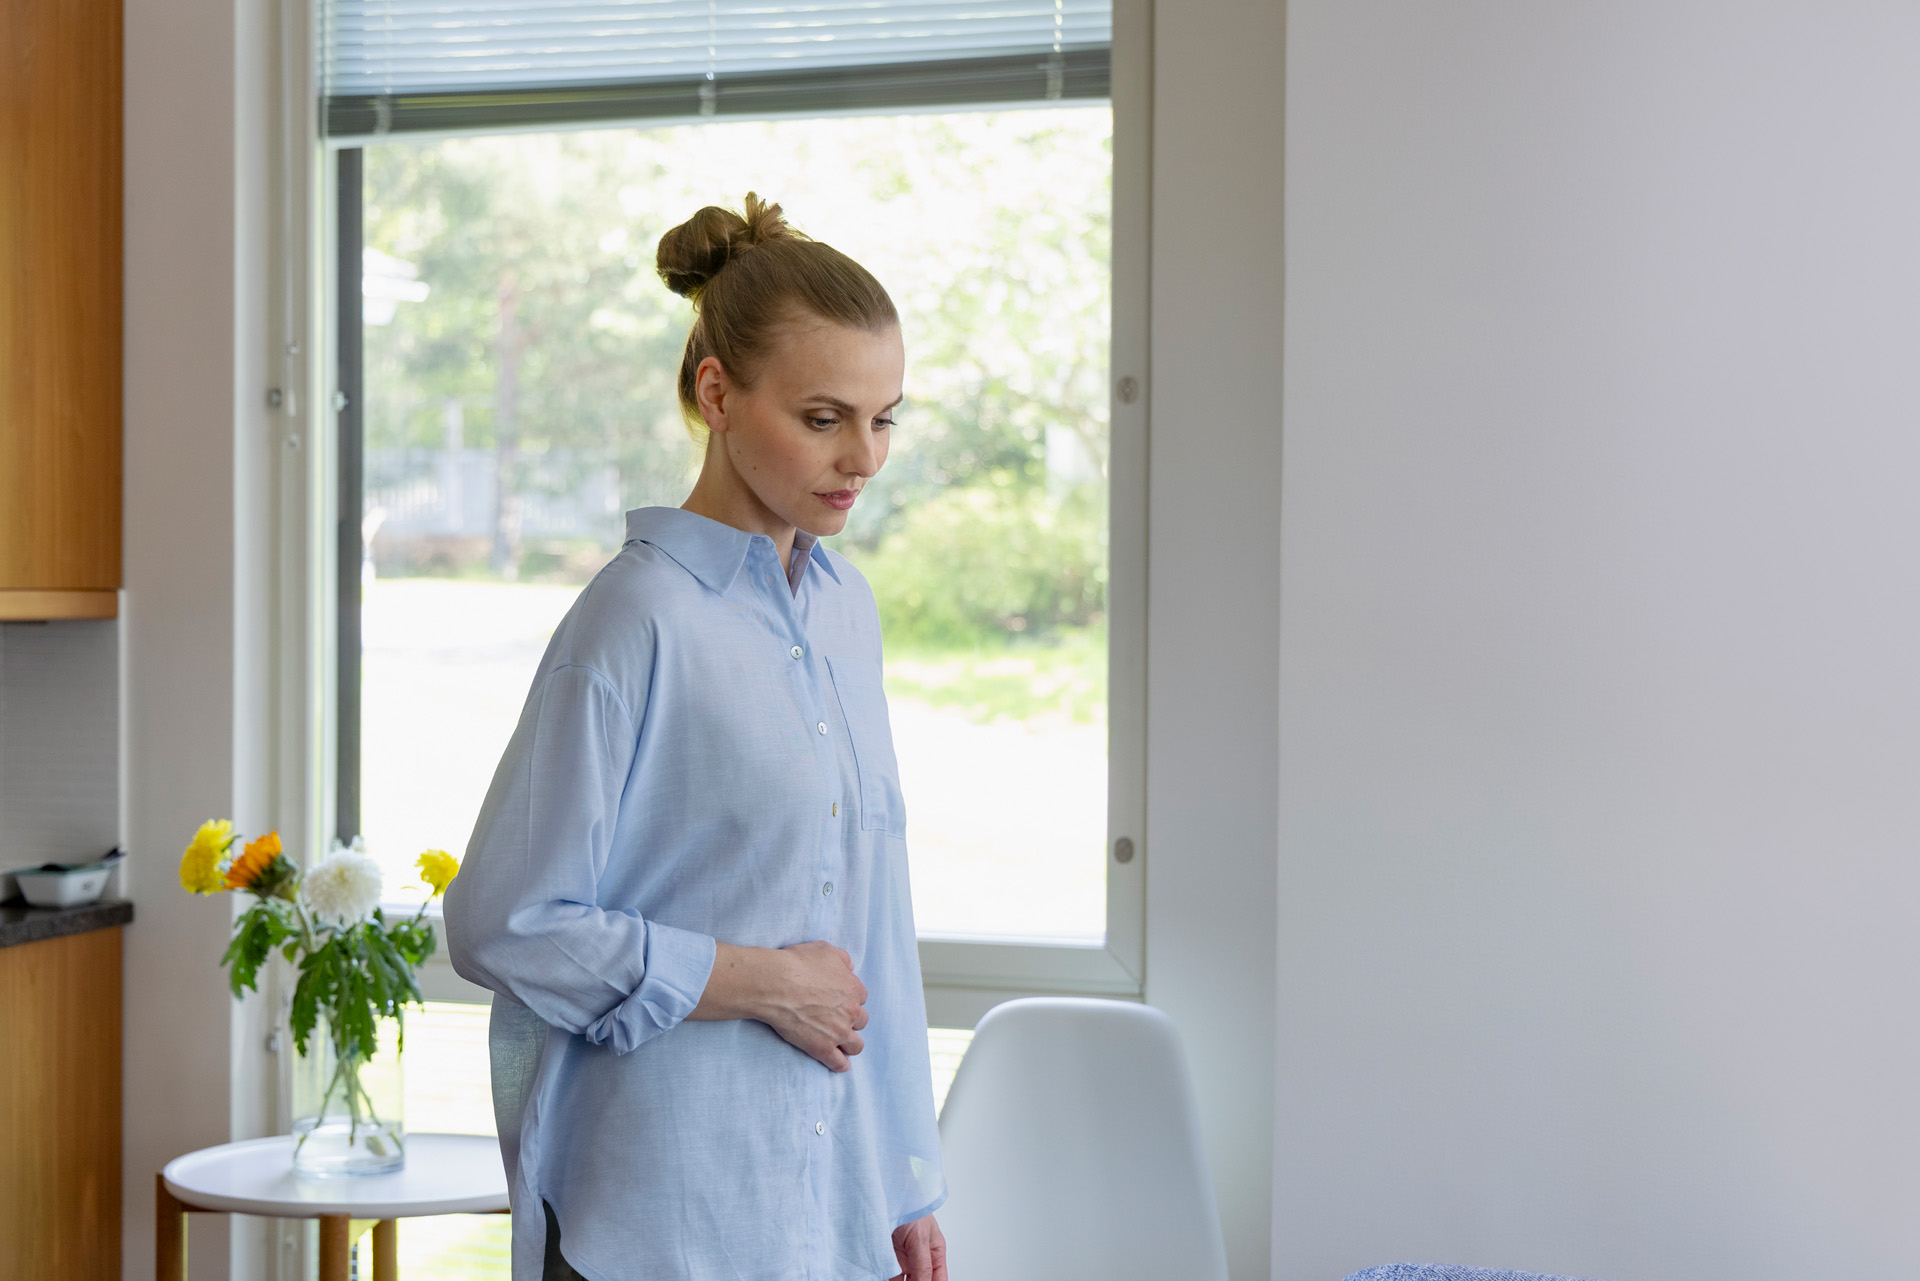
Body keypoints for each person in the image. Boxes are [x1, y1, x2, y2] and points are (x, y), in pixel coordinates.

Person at [445, 194, 948, 1281]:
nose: (863, 456)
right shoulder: (635, 620)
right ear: (717, 392)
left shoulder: (843, 612)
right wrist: (758, 979)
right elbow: (504, 920)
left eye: (886, 416)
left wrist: (908, 1178)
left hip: (831, 1214)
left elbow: (875, 916)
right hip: (664, 1220)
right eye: (824, 418)